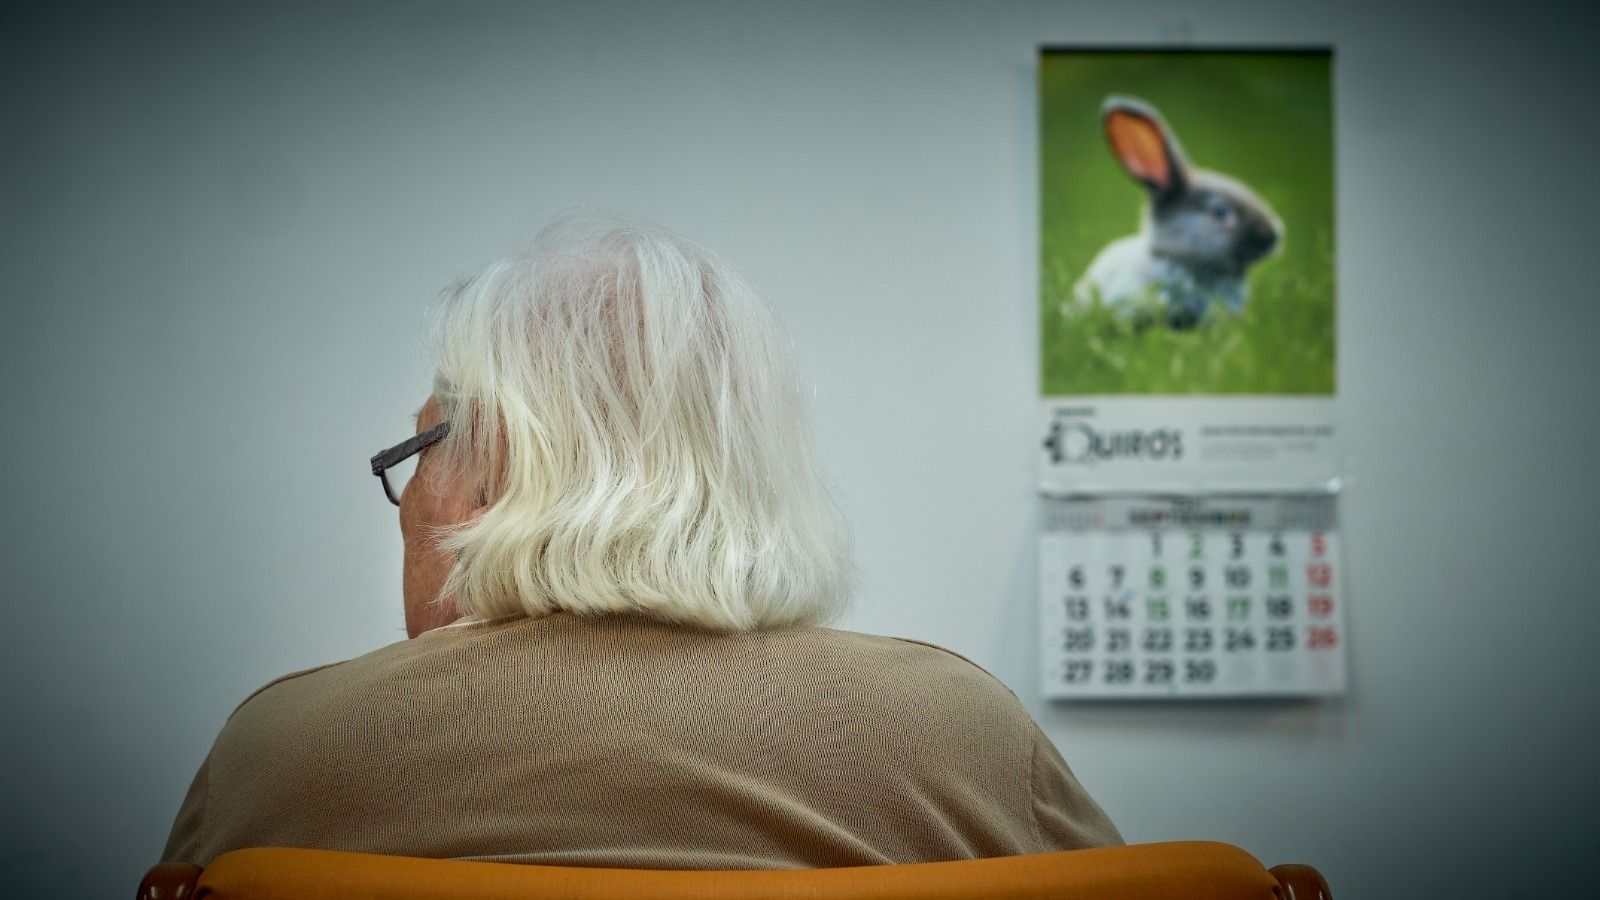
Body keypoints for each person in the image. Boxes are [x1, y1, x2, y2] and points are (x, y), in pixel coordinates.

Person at [161, 212, 1122, 869]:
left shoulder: (286, 757)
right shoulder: (965, 736)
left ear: (494, 467)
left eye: (423, 449)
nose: (414, 496)